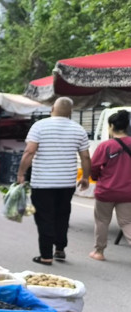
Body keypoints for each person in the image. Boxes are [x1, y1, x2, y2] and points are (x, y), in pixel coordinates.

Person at [17, 97, 90, 266]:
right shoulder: (78, 129)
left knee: (45, 217)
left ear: (52, 110)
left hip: (43, 183)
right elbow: (85, 156)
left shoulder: (40, 126)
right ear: (70, 112)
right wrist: (85, 177)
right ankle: (60, 249)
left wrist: (21, 173)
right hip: (66, 183)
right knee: (62, 215)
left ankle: (46, 255)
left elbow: (29, 152)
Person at [88, 110, 131, 261]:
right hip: (127, 192)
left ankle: (99, 252)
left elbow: (94, 167)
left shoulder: (106, 146)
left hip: (106, 190)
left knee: (102, 221)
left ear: (111, 126)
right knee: (126, 222)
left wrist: (95, 178)